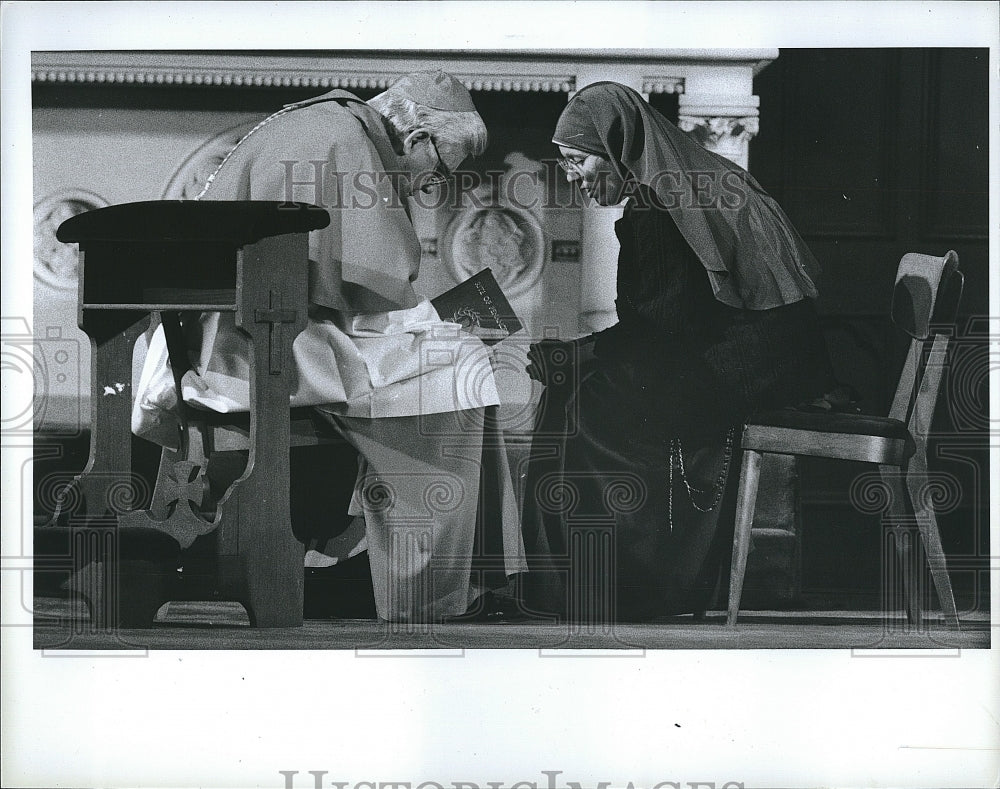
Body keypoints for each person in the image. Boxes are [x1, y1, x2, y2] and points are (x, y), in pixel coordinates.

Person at [132, 70, 526, 623]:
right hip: (262, 348)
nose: (420, 187)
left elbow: (336, 284)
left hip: (232, 335)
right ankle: (428, 583)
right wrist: (447, 314)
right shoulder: (343, 140)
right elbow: (374, 290)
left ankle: (414, 567)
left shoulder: (314, 121)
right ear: (417, 141)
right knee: (468, 358)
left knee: (458, 338)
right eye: (434, 173)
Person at [520, 82, 836, 623]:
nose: (570, 175)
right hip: (770, 354)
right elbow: (673, 321)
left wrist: (573, 355)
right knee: (591, 383)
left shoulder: (657, 206)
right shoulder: (693, 174)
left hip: (749, 364)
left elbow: (658, 330)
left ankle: (625, 587)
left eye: (577, 160)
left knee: (585, 404)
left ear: (617, 148)